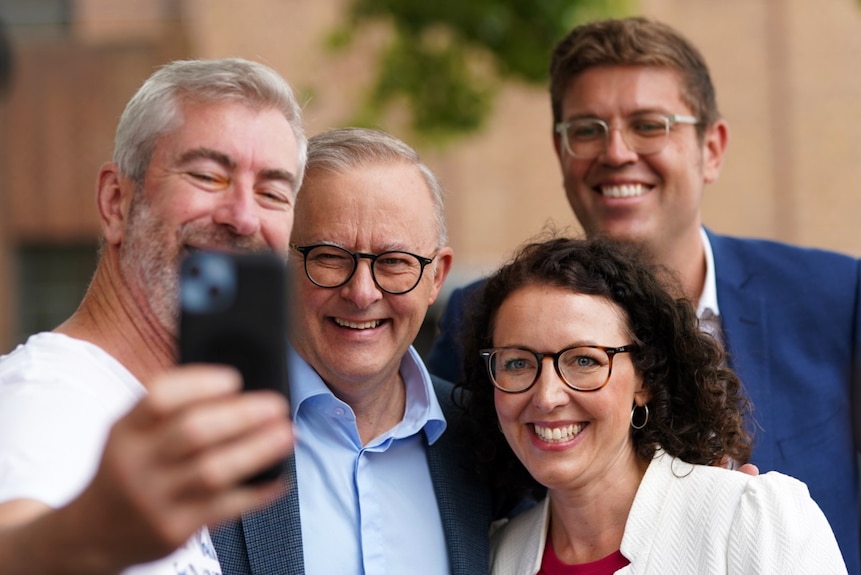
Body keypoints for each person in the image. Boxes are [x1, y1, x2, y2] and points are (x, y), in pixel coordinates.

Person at [427, 16, 861, 572]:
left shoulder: (836, 297)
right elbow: (459, 496)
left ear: (712, 147)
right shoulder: (483, 317)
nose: (616, 152)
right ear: (561, 152)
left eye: (649, 125)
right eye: (586, 129)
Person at [0, 57, 307, 574]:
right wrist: (84, 532)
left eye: (272, 192)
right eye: (208, 175)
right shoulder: (41, 398)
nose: (243, 215)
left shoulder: (161, 415)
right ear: (117, 201)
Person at [456, 235, 847, 574]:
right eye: (518, 363)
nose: (547, 396)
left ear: (644, 377)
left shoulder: (749, 520)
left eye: (585, 360)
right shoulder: (494, 557)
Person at [211, 127, 494, 575]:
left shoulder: (486, 440)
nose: (362, 293)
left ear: (436, 277)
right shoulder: (206, 434)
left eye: (395, 262)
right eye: (330, 257)